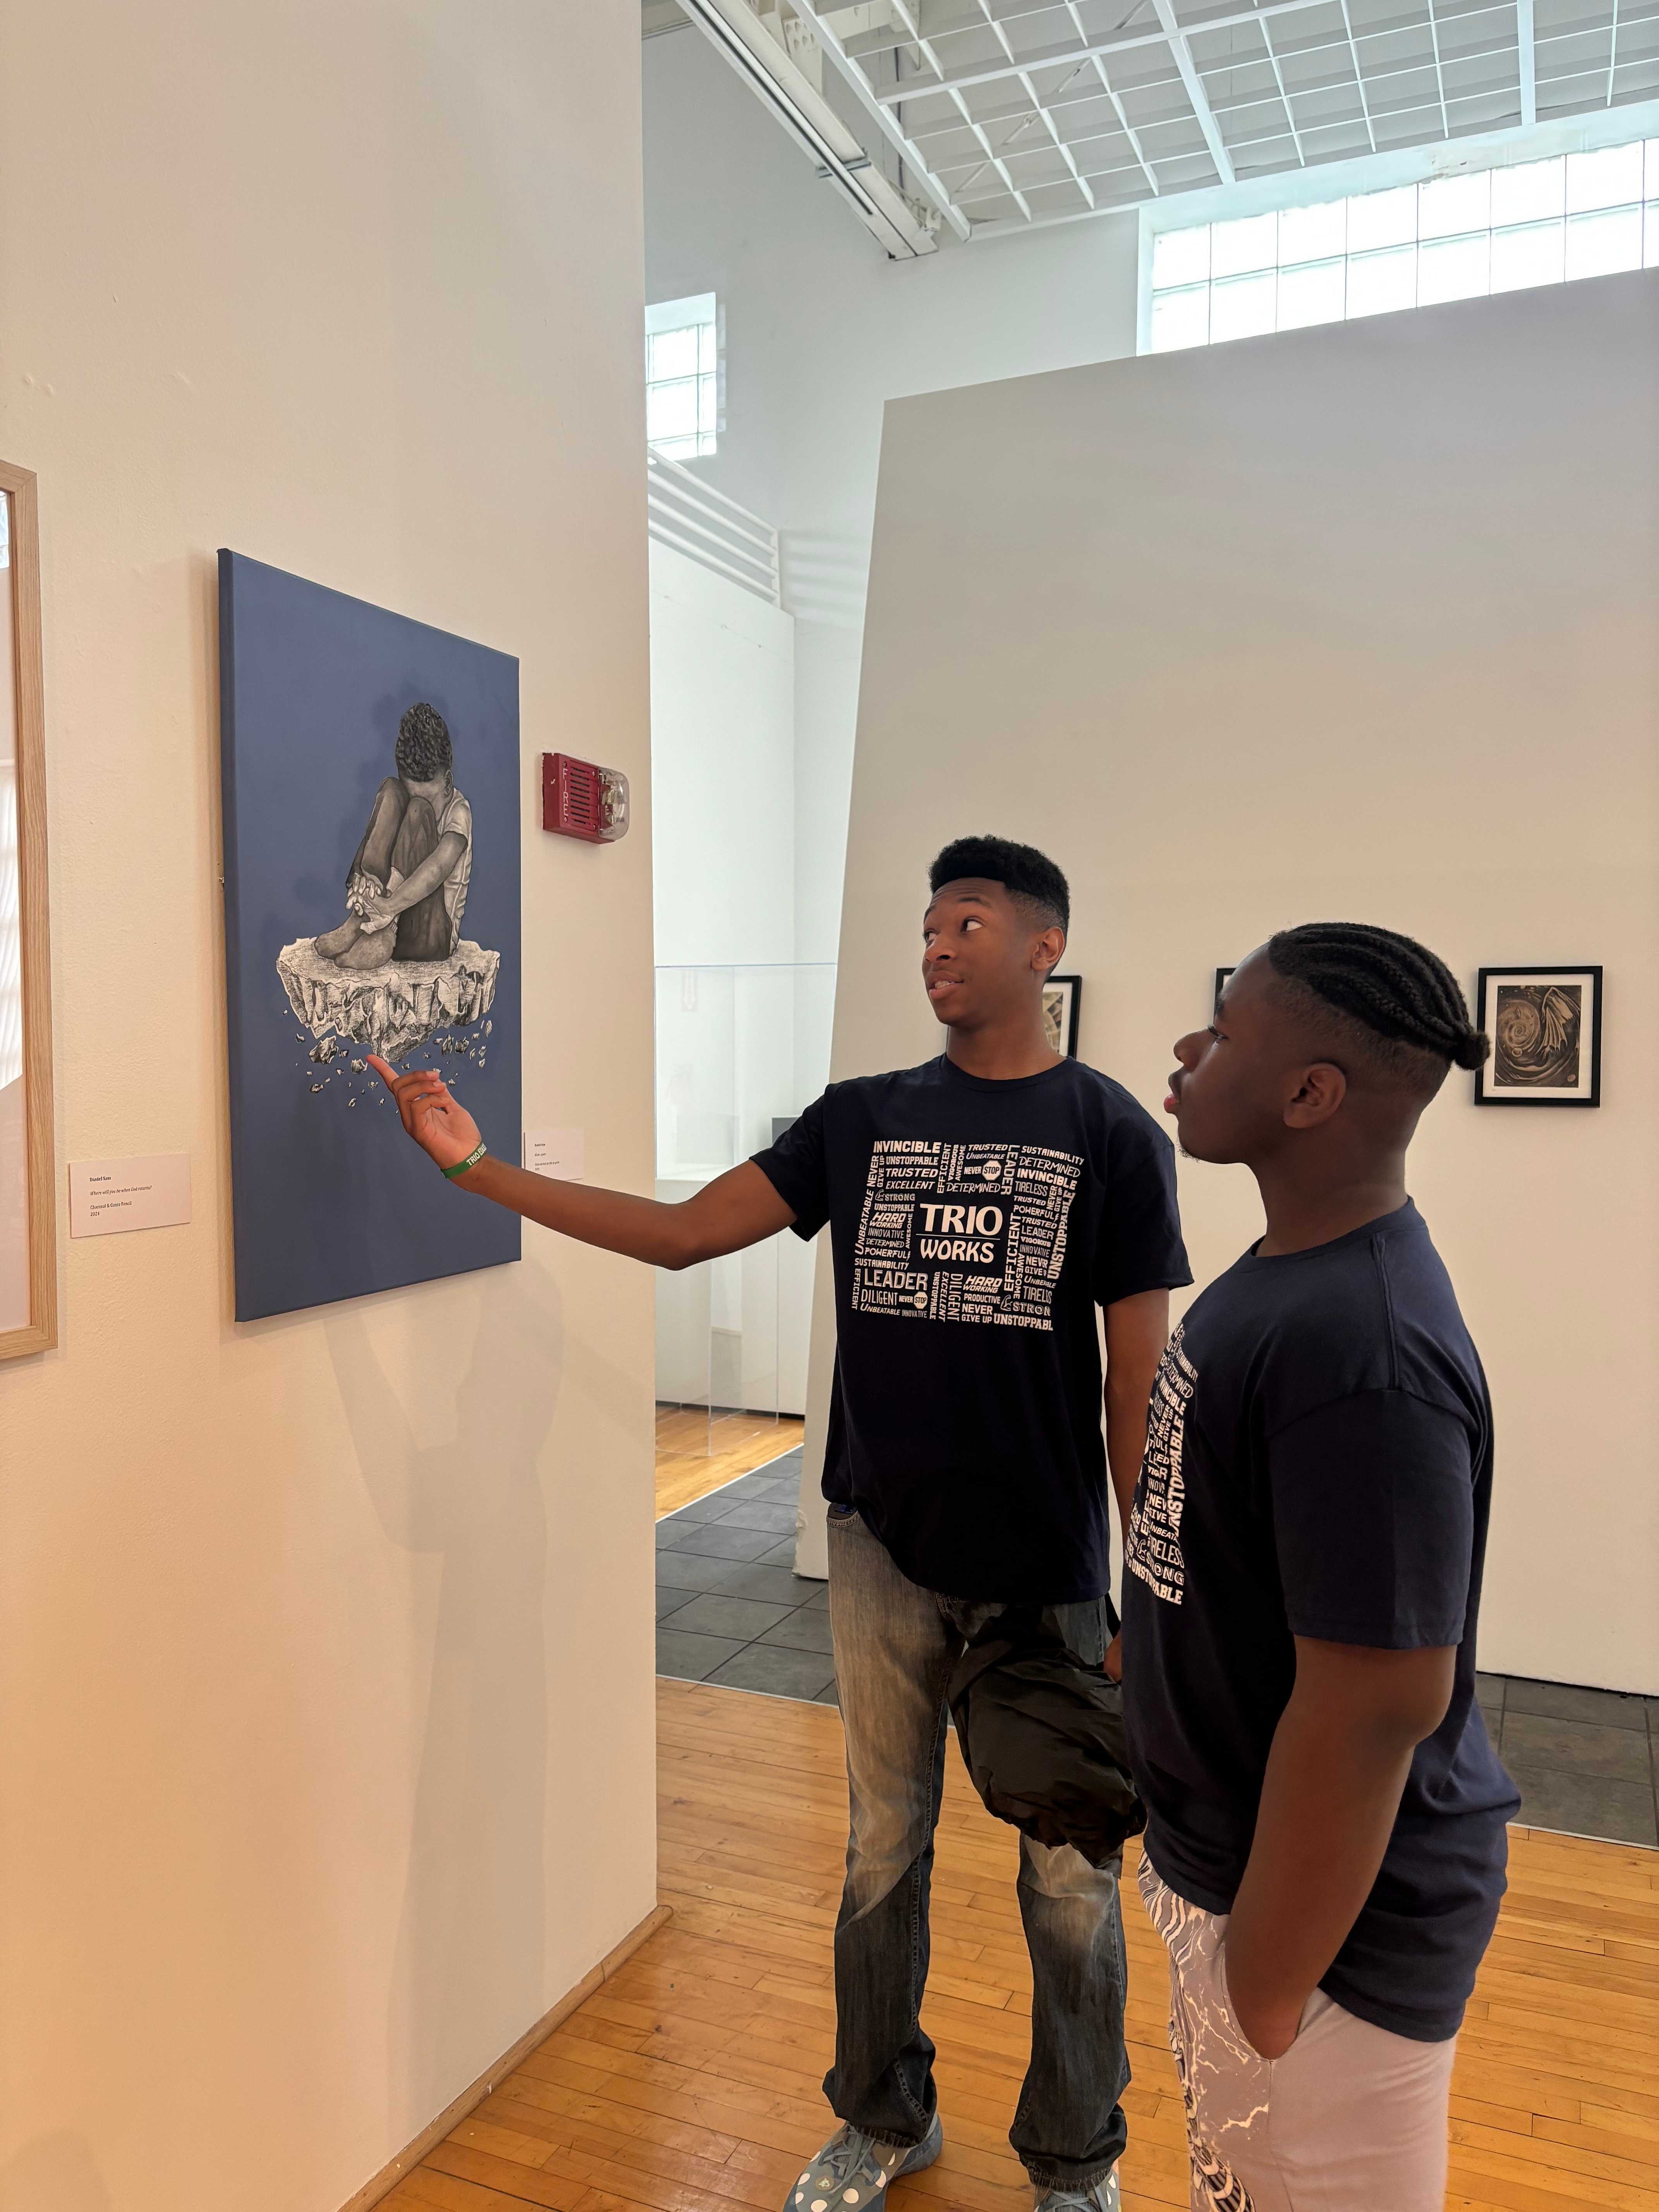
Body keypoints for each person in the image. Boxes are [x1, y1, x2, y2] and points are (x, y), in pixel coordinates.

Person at [369, 835, 1190, 2212]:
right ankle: (880, 2118)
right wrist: (475, 1170)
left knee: (1068, 1879)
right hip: (879, 1553)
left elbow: (1136, 1384)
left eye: (967, 924)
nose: (936, 946)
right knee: (883, 1845)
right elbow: (683, 1235)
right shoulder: (859, 1119)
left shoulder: (1110, 1134)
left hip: (1047, 1565)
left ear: (1043, 945)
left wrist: (1150, 1602)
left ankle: (1074, 2157)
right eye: (926, 928)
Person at [1122, 923, 1520, 2212]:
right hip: (1236, 1884)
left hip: (1324, 1950)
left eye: (1225, 1029)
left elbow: (1377, 1702)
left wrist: (1269, 1982)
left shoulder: (1367, 1352)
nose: (1188, 1048)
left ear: (1310, 1094)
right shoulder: (1292, 1277)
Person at [314, 700, 473, 969]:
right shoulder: (403, 792)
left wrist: (388, 907)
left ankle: (382, 934)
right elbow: (375, 836)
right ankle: (360, 917)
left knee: (417, 812)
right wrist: (363, 885)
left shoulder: (459, 813)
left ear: (447, 784)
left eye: (426, 796)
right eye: (410, 792)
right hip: (383, 911)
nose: (414, 802)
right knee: (390, 790)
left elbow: (436, 869)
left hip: (430, 934)